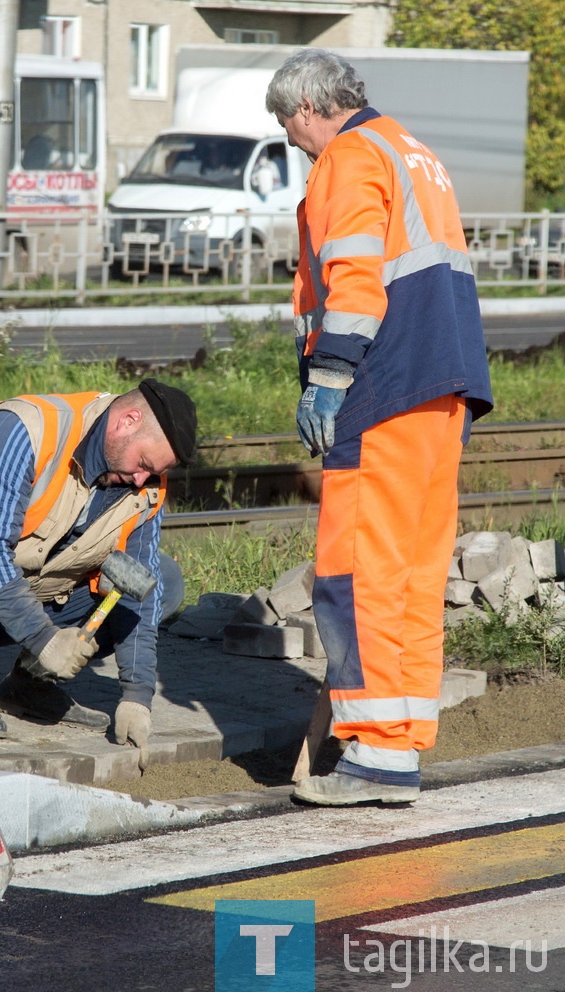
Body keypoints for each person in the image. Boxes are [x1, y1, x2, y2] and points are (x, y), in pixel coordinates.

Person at [265, 49, 493, 806]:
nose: (294, 143)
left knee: (356, 572)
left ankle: (372, 755)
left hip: (384, 386)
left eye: (287, 126)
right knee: (413, 576)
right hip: (443, 388)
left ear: (304, 109)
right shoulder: (412, 150)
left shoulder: (348, 156)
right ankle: (396, 749)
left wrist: (330, 372)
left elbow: (354, 271)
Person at [0, 380, 198, 769]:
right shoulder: (25, 430)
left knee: (163, 579)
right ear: (127, 421)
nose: (142, 480)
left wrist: (137, 694)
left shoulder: (146, 483)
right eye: (144, 464)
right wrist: (44, 638)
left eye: (152, 473)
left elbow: (138, 587)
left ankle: (30, 684)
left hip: (26, 596)